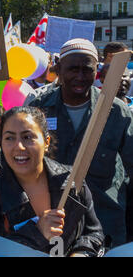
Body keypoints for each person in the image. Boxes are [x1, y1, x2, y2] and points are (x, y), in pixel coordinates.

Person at [28, 38, 133, 248]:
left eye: (87, 70)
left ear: (97, 71)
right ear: (58, 69)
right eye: (72, 69)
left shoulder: (116, 112)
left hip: (106, 224)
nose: (80, 77)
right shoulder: (39, 109)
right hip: (54, 224)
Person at [0, 106, 105, 256]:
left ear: (46, 142)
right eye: (9, 138)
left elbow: (94, 233)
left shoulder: (71, 180)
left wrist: (80, 253)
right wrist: (38, 233)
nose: (19, 146)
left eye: (27, 137)